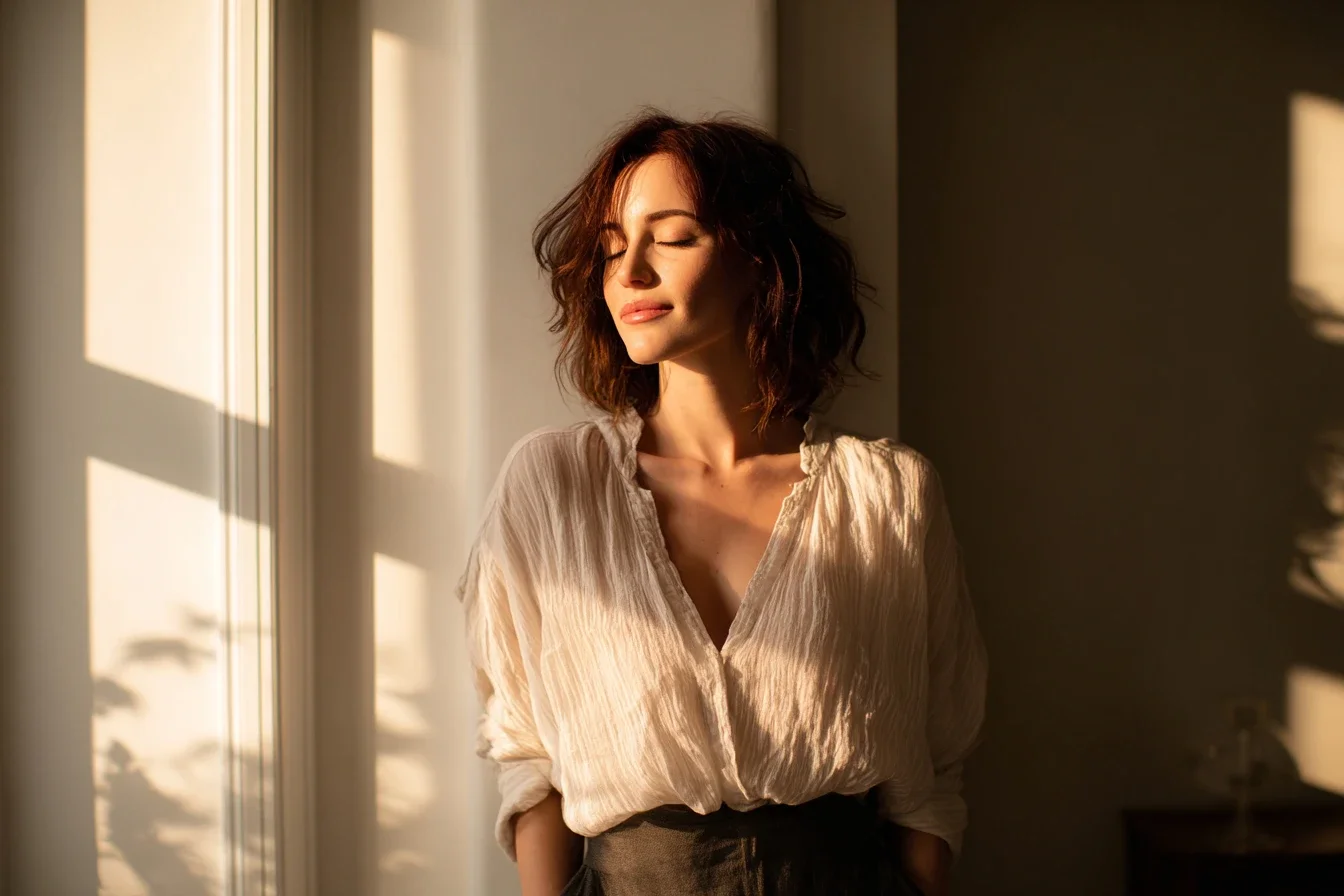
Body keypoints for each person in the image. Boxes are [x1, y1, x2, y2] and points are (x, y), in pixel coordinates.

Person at [456, 110, 987, 896]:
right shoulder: (554, 485)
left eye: (672, 238)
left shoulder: (887, 497)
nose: (630, 272)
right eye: (611, 248)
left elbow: (931, 775)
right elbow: (527, 756)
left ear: (760, 259)